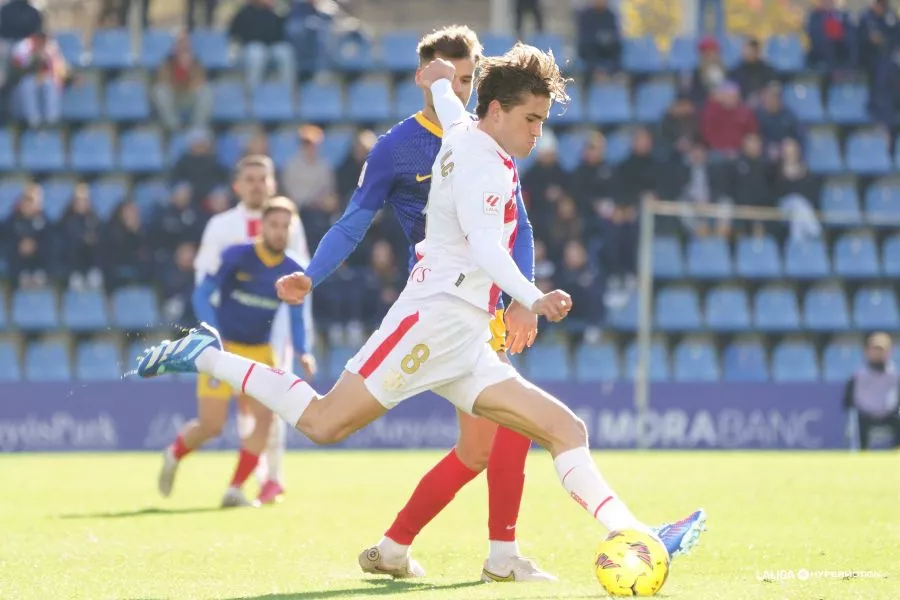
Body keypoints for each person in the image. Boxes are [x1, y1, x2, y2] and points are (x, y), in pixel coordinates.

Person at [136, 43, 707, 570]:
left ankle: (636, 536)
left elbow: (450, 106)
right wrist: (532, 296)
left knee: (565, 428)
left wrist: (438, 81)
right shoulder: (483, 162)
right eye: (531, 119)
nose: (538, 133)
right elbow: (487, 245)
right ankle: (207, 355)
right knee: (323, 422)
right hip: (431, 320)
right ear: (499, 111)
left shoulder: (466, 130)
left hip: (469, 336)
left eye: (543, 121)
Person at [294, 25, 551, 582]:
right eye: (455, 78)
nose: (464, 87)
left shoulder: (492, 138)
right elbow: (353, 221)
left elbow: (520, 228)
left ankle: (393, 548)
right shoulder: (399, 147)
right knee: (509, 429)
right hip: (438, 303)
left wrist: (521, 299)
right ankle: (501, 558)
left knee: (480, 448)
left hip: (477, 303)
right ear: (427, 78)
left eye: (471, 77)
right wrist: (310, 277)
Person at [172, 155, 315, 506]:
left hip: (272, 328)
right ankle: (192, 459)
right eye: (249, 178)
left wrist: (302, 342)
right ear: (238, 184)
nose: (256, 185)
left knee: (272, 408)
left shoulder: (289, 224)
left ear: (272, 184)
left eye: (262, 178)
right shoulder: (222, 227)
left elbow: (303, 280)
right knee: (220, 420)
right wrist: (212, 332)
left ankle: (270, 479)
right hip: (228, 331)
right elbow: (205, 281)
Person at [844, 332, 900, 450]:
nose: (877, 353)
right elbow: (847, 401)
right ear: (867, 351)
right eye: (874, 349)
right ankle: (862, 457)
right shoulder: (857, 376)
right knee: (857, 421)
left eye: (881, 349)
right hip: (865, 416)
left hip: (890, 414)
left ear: (888, 352)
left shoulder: (895, 376)